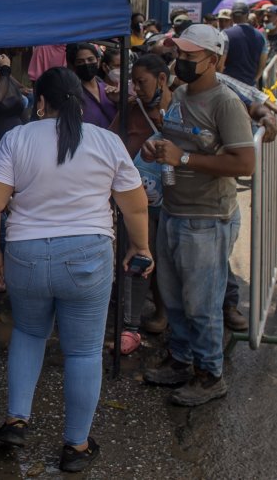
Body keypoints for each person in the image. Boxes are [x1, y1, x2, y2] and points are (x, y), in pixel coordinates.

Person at [0, 67, 150, 473]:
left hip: (26, 255)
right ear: (81, 101)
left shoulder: (17, 138)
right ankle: (76, 446)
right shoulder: (106, 141)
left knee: (29, 332)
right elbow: (135, 205)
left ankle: (16, 420)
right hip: (87, 255)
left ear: (40, 102)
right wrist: (141, 247)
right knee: (84, 351)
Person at [141, 25, 254, 407]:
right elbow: (174, 141)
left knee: (202, 306)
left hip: (206, 219)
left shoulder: (225, 103)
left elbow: (245, 163)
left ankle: (209, 375)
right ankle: (181, 359)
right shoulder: (181, 95)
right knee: (174, 300)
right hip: (173, 211)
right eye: (180, 55)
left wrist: (184, 158)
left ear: (214, 60)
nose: (182, 62)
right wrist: (157, 147)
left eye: (191, 56)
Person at [110, 53, 172, 343]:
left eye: (141, 82)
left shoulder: (181, 107)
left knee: (166, 261)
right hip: (137, 202)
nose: (136, 88)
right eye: (133, 82)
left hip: (175, 201)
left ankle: (163, 312)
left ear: (162, 79)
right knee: (137, 256)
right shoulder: (130, 111)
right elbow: (111, 142)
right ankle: (131, 325)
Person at [71, 43, 117, 129]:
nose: (86, 64)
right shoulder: (74, 96)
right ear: (74, 66)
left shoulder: (108, 89)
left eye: (90, 59)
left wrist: (118, 102)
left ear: (98, 61)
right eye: (80, 62)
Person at [223, 2, 268, 86]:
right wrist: (255, 80)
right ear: (247, 15)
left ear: (232, 16)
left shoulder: (225, 34)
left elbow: (220, 64)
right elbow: (262, 64)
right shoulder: (260, 36)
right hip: (250, 85)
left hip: (228, 85)